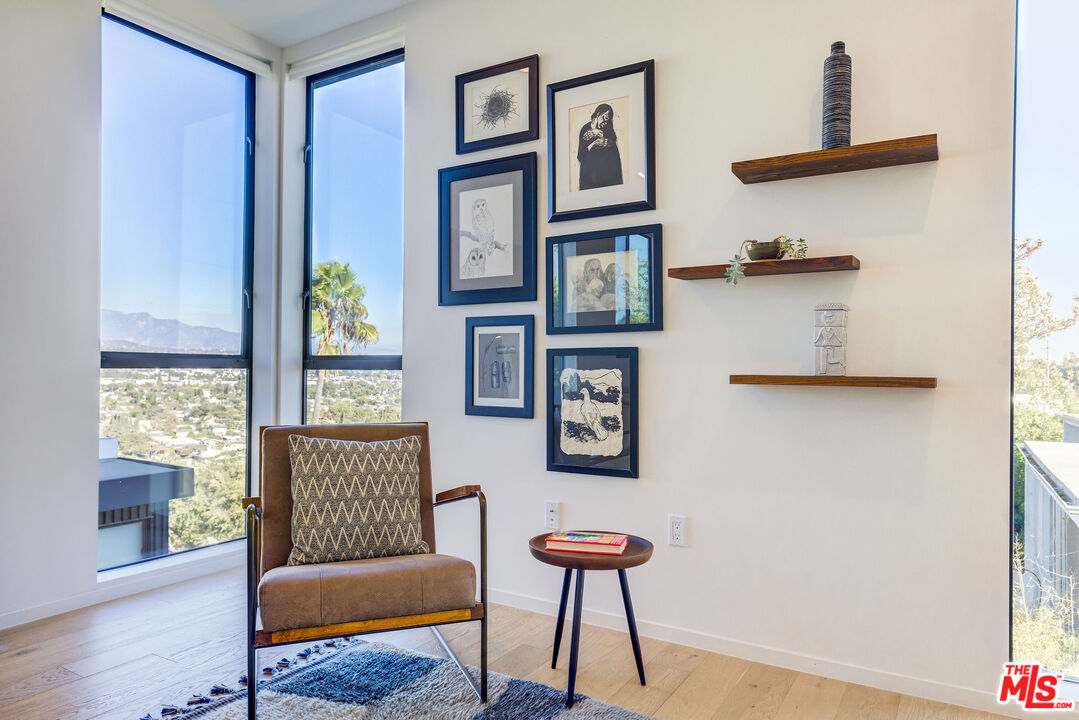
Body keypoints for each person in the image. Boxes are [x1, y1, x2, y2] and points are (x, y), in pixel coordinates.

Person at [577, 103, 622, 190]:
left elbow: (613, 147)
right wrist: (593, 144)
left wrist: (605, 140)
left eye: (608, 120)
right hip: (589, 181)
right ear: (598, 114)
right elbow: (581, 156)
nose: (606, 122)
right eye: (605, 118)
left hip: (608, 181)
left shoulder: (608, 128)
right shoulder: (586, 129)